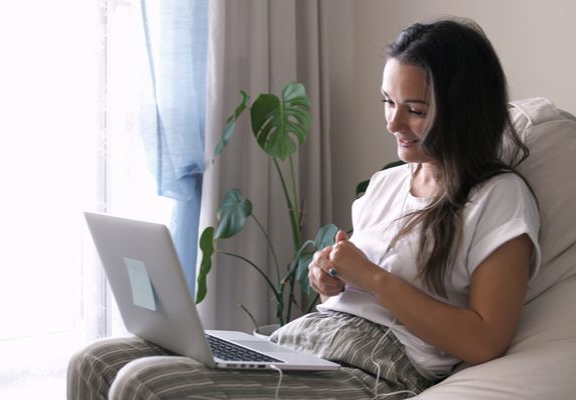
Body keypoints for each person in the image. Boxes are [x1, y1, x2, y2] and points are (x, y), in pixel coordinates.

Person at [67, 17, 540, 399]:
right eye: (387, 102)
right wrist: (329, 278)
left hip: (373, 372)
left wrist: (370, 276)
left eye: (415, 109)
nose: (394, 122)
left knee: (143, 383)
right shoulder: (386, 184)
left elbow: (484, 341)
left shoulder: (497, 197)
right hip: (305, 342)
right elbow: (350, 288)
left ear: (462, 109)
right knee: (96, 360)